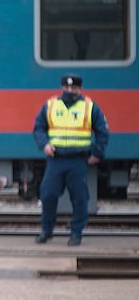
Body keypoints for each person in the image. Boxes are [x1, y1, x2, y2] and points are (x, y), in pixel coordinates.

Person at [33, 73, 109, 246]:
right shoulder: (50, 105)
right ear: (61, 88)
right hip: (55, 159)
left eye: (73, 88)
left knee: (80, 198)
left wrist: (97, 153)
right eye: (66, 87)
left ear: (79, 89)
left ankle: (76, 233)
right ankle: (46, 231)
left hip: (78, 160)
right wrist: (44, 144)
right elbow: (39, 128)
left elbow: (103, 131)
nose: (69, 90)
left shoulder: (89, 107)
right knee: (48, 195)